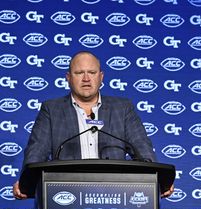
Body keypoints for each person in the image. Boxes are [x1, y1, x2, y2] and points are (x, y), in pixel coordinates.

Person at [13, 51, 174, 199]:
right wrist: (27, 182)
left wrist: (157, 180)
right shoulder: (51, 109)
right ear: (68, 77)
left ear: (101, 76)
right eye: (79, 73)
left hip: (116, 195)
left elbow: (142, 150)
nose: (86, 79)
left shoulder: (123, 108)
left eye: (92, 72)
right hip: (67, 194)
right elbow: (37, 150)